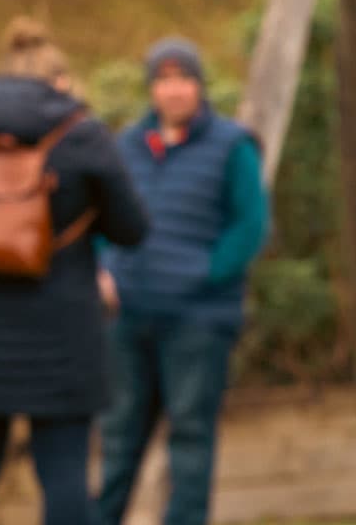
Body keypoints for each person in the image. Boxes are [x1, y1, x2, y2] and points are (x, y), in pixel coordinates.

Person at [0, 17, 150, 525]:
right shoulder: (81, 133)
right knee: (63, 473)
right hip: (59, 330)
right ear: (59, 80)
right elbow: (132, 229)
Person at [96, 38, 270, 525]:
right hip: (128, 318)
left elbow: (251, 225)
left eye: (183, 80)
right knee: (118, 437)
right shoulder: (126, 145)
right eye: (164, 81)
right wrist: (103, 268)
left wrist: (205, 273)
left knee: (191, 437)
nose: (174, 91)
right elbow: (97, 215)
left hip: (198, 321)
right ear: (152, 89)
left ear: (199, 87)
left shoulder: (231, 146)